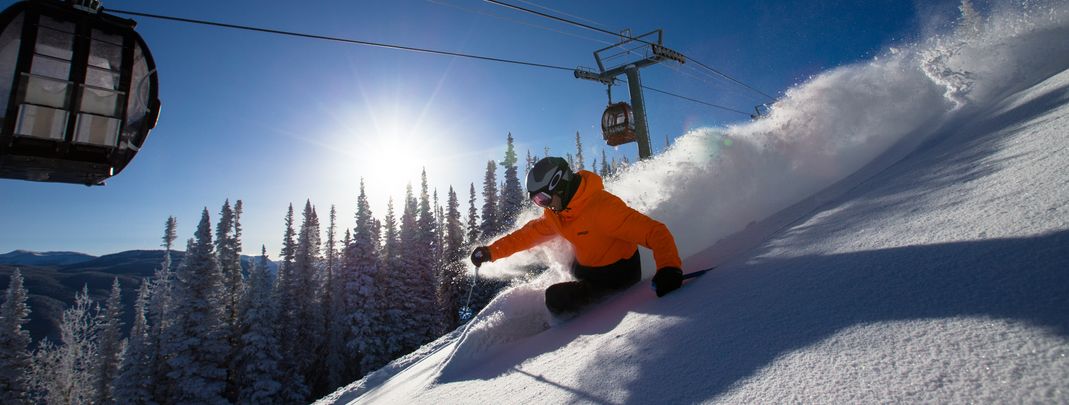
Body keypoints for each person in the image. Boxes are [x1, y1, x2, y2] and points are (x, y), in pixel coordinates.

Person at [470, 156, 684, 315]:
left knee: (554, 298)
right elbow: (525, 236)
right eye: (537, 201)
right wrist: (491, 252)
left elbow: (656, 232)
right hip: (587, 269)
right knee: (568, 260)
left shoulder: (602, 208)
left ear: (560, 184)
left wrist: (669, 268)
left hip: (617, 276)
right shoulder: (557, 215)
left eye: (543, 198)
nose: (543, 205)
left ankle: (570, 331)